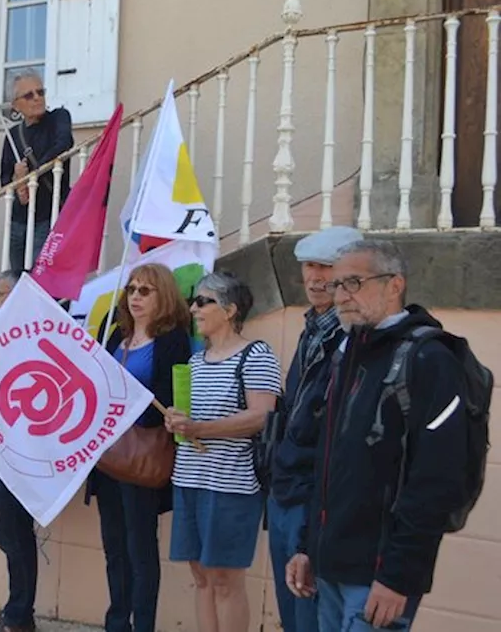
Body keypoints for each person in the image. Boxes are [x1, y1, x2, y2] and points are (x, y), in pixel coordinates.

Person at [287, 240, 470, 631]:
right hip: (330, 566)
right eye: (337, 285)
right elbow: (326, 462)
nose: (341, 296)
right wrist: (307, 546)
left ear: (394, 285)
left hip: (379, 576)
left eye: (353, 282)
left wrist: (398, 575)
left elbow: (438, 480)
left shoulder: (430, 359)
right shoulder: (345, 353)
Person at [164, 271, 281, 632]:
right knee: (201, 577)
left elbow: (262, 416)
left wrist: (200, 429)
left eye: (203, 301)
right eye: (193, 301)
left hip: (231, 485)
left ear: (229, 310)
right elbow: (193, 420)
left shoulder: (256, 355)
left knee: (225, 580)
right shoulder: (197, 362)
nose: (194, 308)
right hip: (190, 480)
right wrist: (177, 422)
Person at [267, 227, 361, 631]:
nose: (315, 277)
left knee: (310, 611)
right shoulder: (312, 328)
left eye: (326, 266)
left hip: (316, 492)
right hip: (287, 487)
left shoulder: (354, 335)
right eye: (309, 266)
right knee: (293, 613)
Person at [93, 264, 195, 632]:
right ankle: (116, 622)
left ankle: (143, 625)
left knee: (140, 549)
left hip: (141, 456)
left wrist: (128, 406)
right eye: (132, 289)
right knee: (114, 548)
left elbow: (168, 400)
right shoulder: (115, 333)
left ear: (163, 296)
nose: (135, 296)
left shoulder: (173, 340)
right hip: (105, 458)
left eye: (145, 291)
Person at [0, 270, 37, 632]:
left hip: (24, 449)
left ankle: (19, 615)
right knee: (9, 534)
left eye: (3, 294)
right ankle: (18, 612)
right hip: (2, 447)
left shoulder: (32, 335)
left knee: (16, 533)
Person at [0, 71, 74, 272]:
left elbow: (63, 144)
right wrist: (17, 181)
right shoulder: (13, 135)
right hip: (18, 221)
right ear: (16, 105)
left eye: (40, 92)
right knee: (17, 279)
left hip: (47, 216)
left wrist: (29, 175)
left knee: (39, 278)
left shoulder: (58, 117)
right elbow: (4, 179)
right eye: (29, 95)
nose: (37, 98)